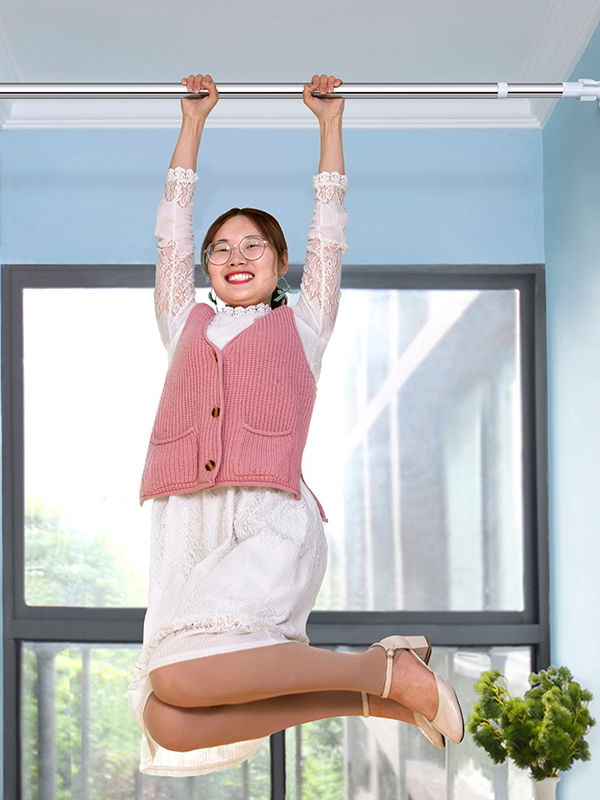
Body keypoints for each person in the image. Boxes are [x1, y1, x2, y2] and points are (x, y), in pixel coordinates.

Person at [128, 72, 464, 777]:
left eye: (254, 245)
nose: (236, 256)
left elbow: (330, 234)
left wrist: (329, 126)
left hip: (267, 521)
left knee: (182, 679)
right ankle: (382, 689)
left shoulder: (304, 323)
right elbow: (168, 235)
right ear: (206, 267)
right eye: (221, 248)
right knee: (168, 715)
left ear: (279, 263)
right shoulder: (180, 319)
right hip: (186, 527)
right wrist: (191, 126)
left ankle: (382, 676)